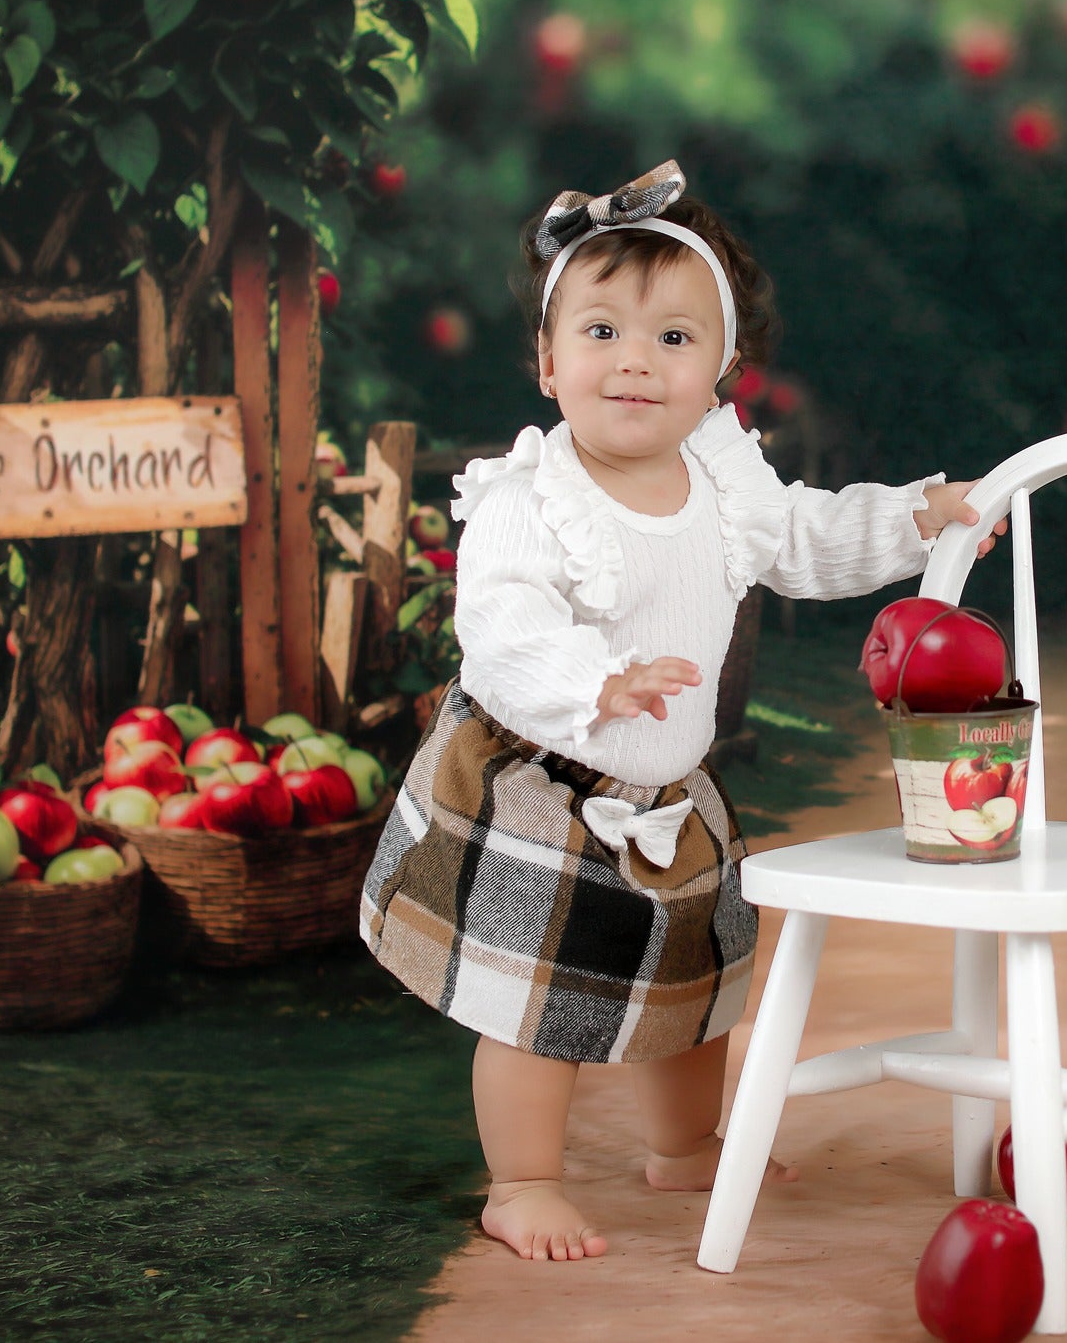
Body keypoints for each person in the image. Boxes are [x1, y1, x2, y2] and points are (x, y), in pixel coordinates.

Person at [360, 160, 1002, 1263]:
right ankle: (522, 1182)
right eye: (600, 331)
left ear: (719, 375)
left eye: (672, 339)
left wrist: (916, 518)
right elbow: (502, 625)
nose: (634, 362)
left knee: (694, 985)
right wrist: (593, 682)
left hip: (668, 786)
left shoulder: (723, 482)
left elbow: (809, 539)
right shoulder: (529, 497)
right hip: (540, 779)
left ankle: (685, 1144)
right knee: (532, 1006)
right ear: (548, 363)